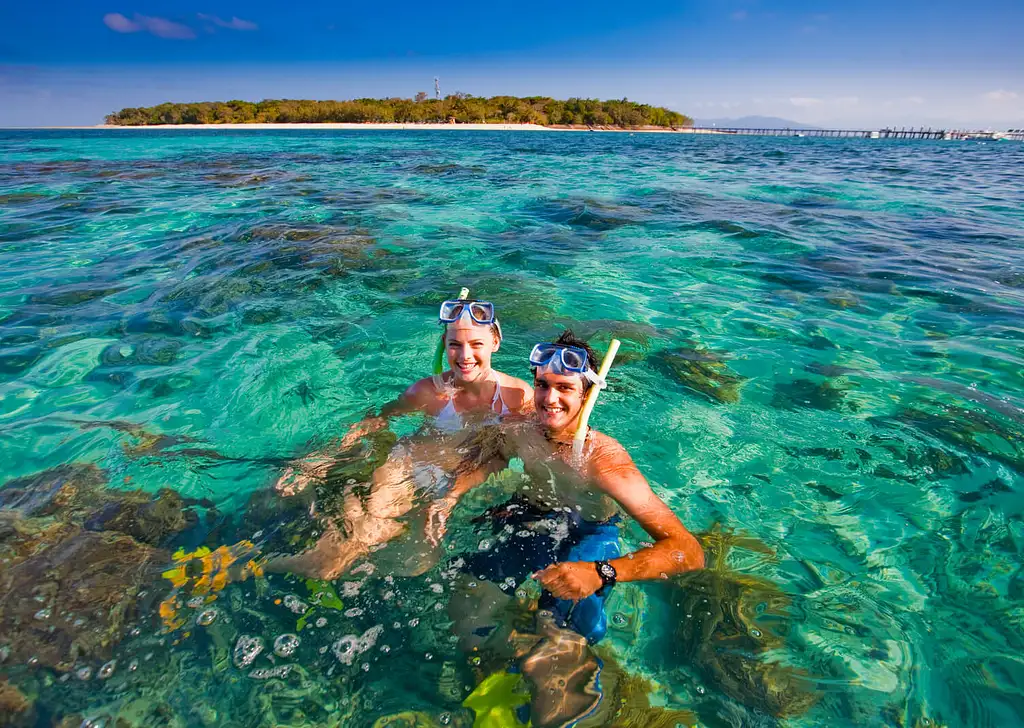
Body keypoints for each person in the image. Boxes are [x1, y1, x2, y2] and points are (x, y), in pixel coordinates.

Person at [426, 330, 704, 727]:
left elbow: (688, 551)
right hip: (535, 517)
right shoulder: (521, 430)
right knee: (467, 601)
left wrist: (601, 572)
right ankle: (490, 688)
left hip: (591, 533)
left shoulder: (605, 461)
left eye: (564, 388)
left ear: (588, 395)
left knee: (557, 646)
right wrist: (453, 493)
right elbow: (493, 458)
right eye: (542, 385)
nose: (549, 398)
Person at [267, 298, 534, 580]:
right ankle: (247, 566)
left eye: (476, 344)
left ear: (495, 341)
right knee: (342, 555)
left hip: (451, 480)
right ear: (444, 343)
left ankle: (341, 514)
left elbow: (506, 454)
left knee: (419, 561)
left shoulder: (517, 397)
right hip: (406, 465)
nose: (465, 355)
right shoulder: (428, 392)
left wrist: (452, 496)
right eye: (455, 344)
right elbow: (376, 419)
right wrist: (320, 459)